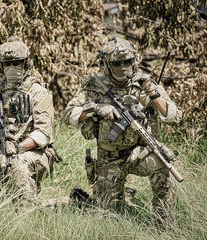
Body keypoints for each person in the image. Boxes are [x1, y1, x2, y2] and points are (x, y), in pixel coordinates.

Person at [64, 37, 182, 224]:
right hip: (109, 159)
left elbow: (175, 117)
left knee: (162, 161)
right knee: (108, 216)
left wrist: (152, 94)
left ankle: (164, 221)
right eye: (116, 63)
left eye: (126, 62)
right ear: (107, 65)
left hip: (139, 153)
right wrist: (95, 108)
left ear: (134, 62)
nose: (122, 66)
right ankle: (121, 196)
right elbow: (68, 115)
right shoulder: (95, 86)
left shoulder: (144, 84)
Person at [0, 36, 58, 201]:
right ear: (2, 65)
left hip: (33, 151)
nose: (12, 67)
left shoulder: (37, 92)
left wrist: (18, 148)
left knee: (15, 162)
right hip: (0, 145)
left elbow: (43, 133)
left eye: (16, 63)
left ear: (25, 63)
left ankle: (26, 205)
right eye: (7, 64)